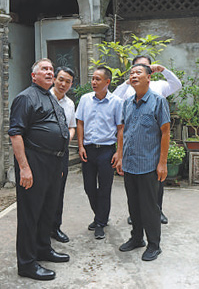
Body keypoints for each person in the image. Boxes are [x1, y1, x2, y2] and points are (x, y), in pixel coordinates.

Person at [9, 59, 70, 281]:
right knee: (30, 214)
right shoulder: (26, 98)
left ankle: (43, 248)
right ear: (33, 76)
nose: (49, 72)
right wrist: (24, 168)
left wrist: (59, 165)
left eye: (51, 69)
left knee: (48, 209)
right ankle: (26, 263)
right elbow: (15, 134)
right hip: (34, 162)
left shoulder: (50, 97)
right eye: (44, 69)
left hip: (53, 164)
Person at [114, 55, 181, 225]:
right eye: (134, 69)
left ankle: (157, 211)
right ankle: (136, 216)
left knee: (155, 185)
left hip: (153, 143)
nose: (136, 73)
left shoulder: (158, 87)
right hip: (134, 147)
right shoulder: (130, 91)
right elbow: (114, 98)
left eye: (143, 68)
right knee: (135, 189)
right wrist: (129, 81)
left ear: (150, 72)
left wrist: (164, 70)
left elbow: (176, 85)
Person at [115, 63, 170, 262]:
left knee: (150, 207)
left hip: (149, 165)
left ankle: (154, 245)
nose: (134, 75)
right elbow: (123, 132)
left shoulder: (158, 101)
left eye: (138, 72)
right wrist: (120, 155)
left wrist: (162, 163)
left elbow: (165, 132)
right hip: (130, 163)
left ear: (149, 78)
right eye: (131, 73)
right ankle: (137, 238)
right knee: (134, 205)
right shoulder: (127, 103)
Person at [75, 66, 123, 240]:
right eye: (92, 79)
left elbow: (120, 128)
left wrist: (119, 152)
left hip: (106, 151)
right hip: (88, 149)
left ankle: (100, 223)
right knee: (89, 187)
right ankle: (101, 216)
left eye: (97, 79)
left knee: (104, 188)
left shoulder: (116, 102)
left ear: (107, 82)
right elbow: (80, 123)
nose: (93, 82)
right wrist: (80, 146)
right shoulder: (85, 99)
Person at [50, 66, 76, 244]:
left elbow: (72, 126)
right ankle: (41, 228)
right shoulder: (44, 98)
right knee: (44, 192)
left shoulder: (70, 103)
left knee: (58, 191)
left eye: (68, 81)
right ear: (54, 79)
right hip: (44, 153)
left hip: (62, 153)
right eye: (61, 79)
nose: (63, 84)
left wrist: (68, 138)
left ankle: (55, 227)